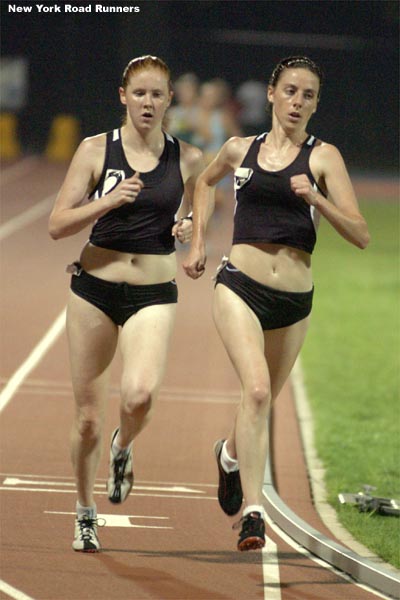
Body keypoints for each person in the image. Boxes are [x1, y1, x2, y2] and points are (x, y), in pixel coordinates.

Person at [183, 56, 370, 551]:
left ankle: (228, 454)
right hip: (239, 284)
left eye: (308, 95)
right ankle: (254, 511)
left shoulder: (324, 157)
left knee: (259, 399)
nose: (297, 102)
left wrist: (319, 200)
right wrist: (199, 241)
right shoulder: (239, 148)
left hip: (294, 301)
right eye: (290, 91)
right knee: (260, 392)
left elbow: (360, 234)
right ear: (270, 93)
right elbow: (203, 181)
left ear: (315, 104)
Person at [48, 55, 205, 552]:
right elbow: (58, 224)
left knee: (138, 396)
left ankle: (123, 447)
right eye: (139, 93)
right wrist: (107, 201)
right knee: (88, 417)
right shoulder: (96, 150)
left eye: (157, 94)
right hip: (94, 288)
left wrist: (189, 232)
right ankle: (84, 511)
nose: (148, 103)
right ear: (123, 96)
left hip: (153, 292)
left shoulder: (189, 157)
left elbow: (199, 211)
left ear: (169, 101)